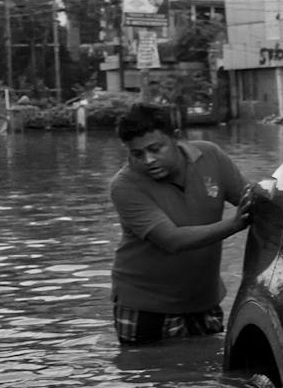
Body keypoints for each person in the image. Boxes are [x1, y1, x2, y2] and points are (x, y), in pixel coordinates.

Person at [108, 102, 251, 346]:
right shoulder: (125, 185)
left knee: (205, 373)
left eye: (155, 149)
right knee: (147, 375)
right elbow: (171, 239)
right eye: (137, 154)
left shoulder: (210, 156)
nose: (148, 160)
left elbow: (252, 199)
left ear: (176, 138)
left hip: (203, 300)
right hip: (145, 305)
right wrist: (235, 225)